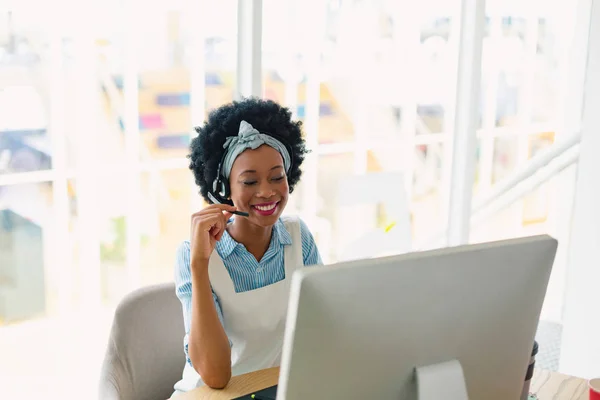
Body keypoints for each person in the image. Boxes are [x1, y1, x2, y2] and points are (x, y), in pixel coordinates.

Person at [172, 98, 323, 395]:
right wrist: (200, 265)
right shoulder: (193, 253)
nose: (266, 192)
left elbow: (321, 329)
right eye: (249, 182)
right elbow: (215, 376)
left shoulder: (298, 237)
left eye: (277, 177)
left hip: (275, 388)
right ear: (224, 188)